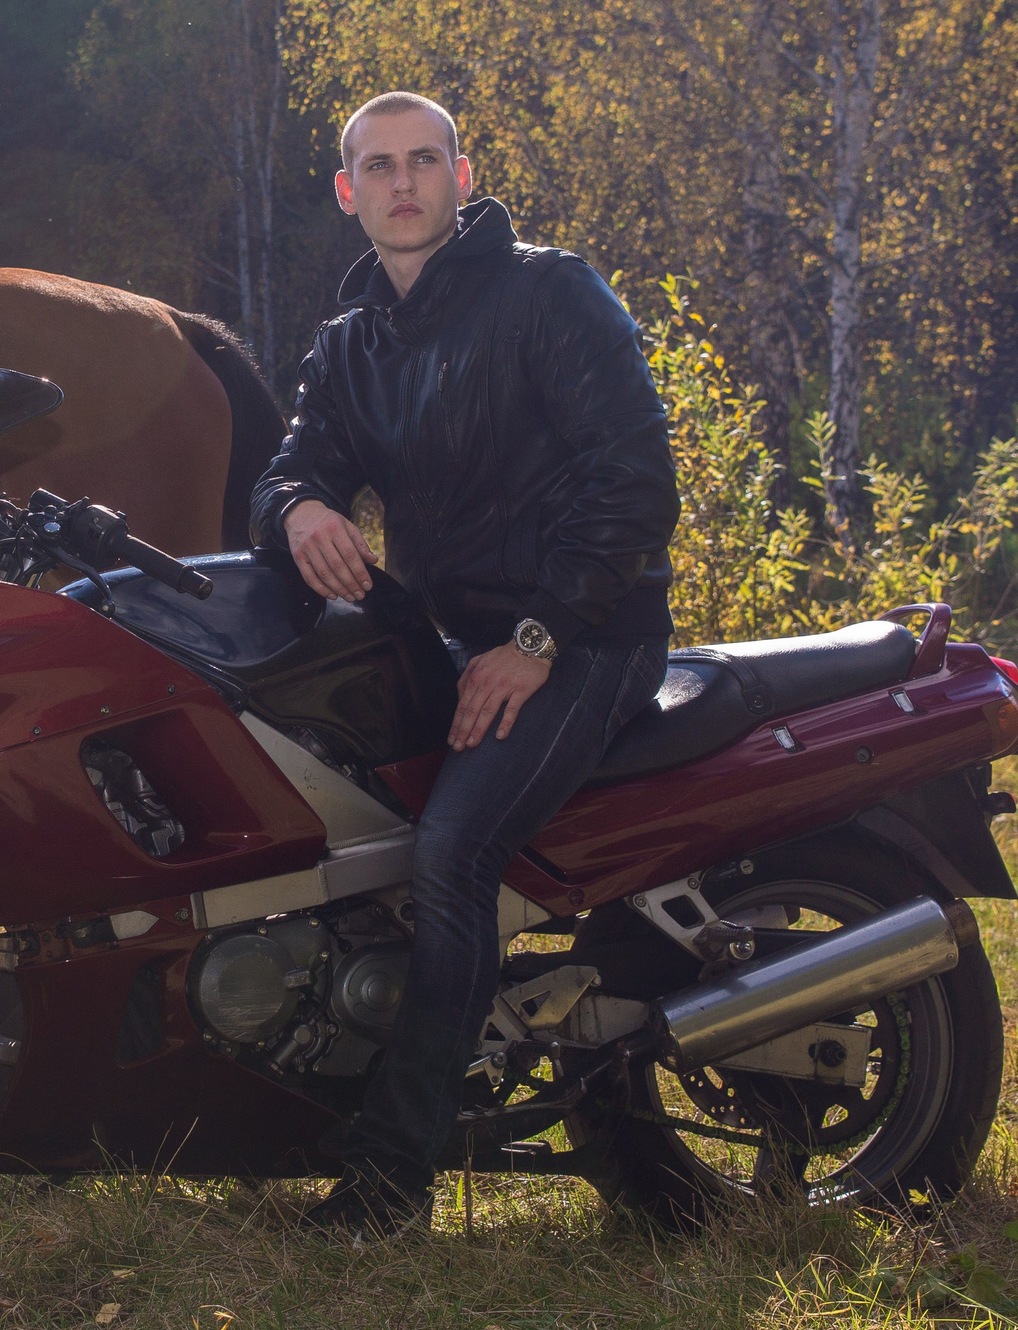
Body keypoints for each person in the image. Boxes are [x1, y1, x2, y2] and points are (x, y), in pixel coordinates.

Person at [249, 91, 680, 1239]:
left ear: (461, 174)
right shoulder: (352, 343)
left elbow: (637, 480)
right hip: (452, 637)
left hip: (588, 633)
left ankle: (392, 1181)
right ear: (346, 191)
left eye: (424, 161)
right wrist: (297, 511)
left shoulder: (549, 292)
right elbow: (290, 468)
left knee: (450, 855)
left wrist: (536, 641)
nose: (402, 183)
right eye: (379, 166)